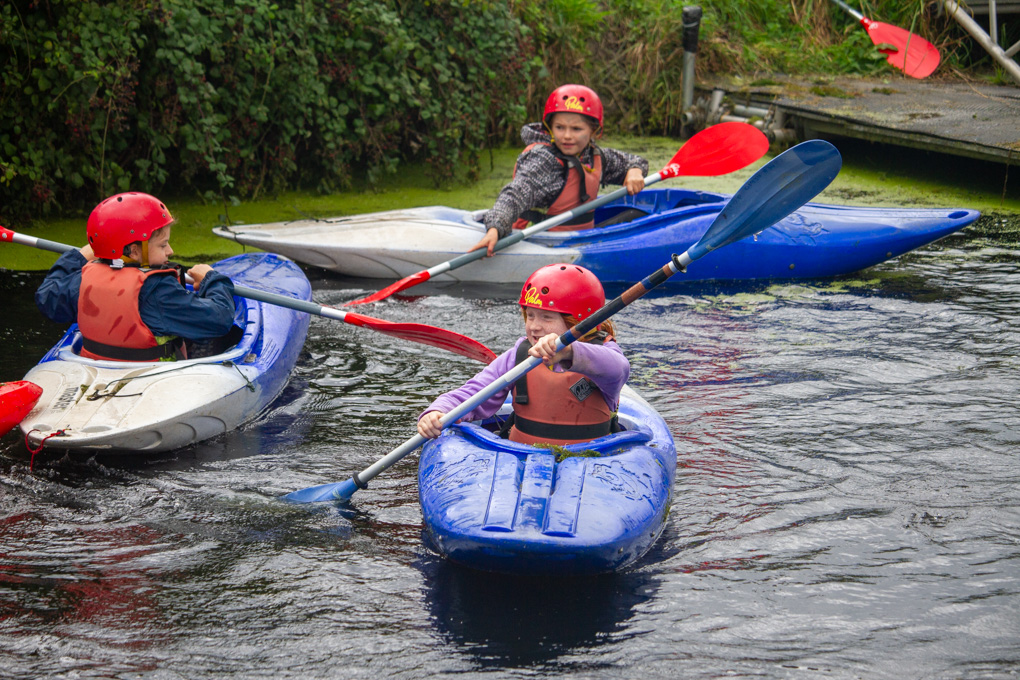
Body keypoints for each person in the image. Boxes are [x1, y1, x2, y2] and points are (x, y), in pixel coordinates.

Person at [417, 263, 629, 446]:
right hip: (520, 454)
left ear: (579, 322)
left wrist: (569, 352)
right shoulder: (520, 355)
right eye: (530, 315)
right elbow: (476, 392)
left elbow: (618, 369)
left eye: (546, 317)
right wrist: (439, 410)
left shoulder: (602, 356)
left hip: (592, 456)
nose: (534, 326)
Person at [35, 192, 237, 361]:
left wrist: (80, 256)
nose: (170, 251)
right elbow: (220, 320)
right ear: (133, 251)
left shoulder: (84, 278)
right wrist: (212, 279)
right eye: (163, 244)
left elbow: (47, 296)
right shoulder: (157, 290)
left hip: (98, 372)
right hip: (150, 382)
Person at [470, 84, 649, 256]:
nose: (567, 136)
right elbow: (515, 194)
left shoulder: (592, 155)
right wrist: (495, 228)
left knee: (635, 215)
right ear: (549, 127)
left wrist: (634, 170)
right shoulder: (544, 161)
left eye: (576, 129)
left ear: (594, 131)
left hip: (576, 240)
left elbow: (634, 161)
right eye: (560, 127)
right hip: (538, 243)